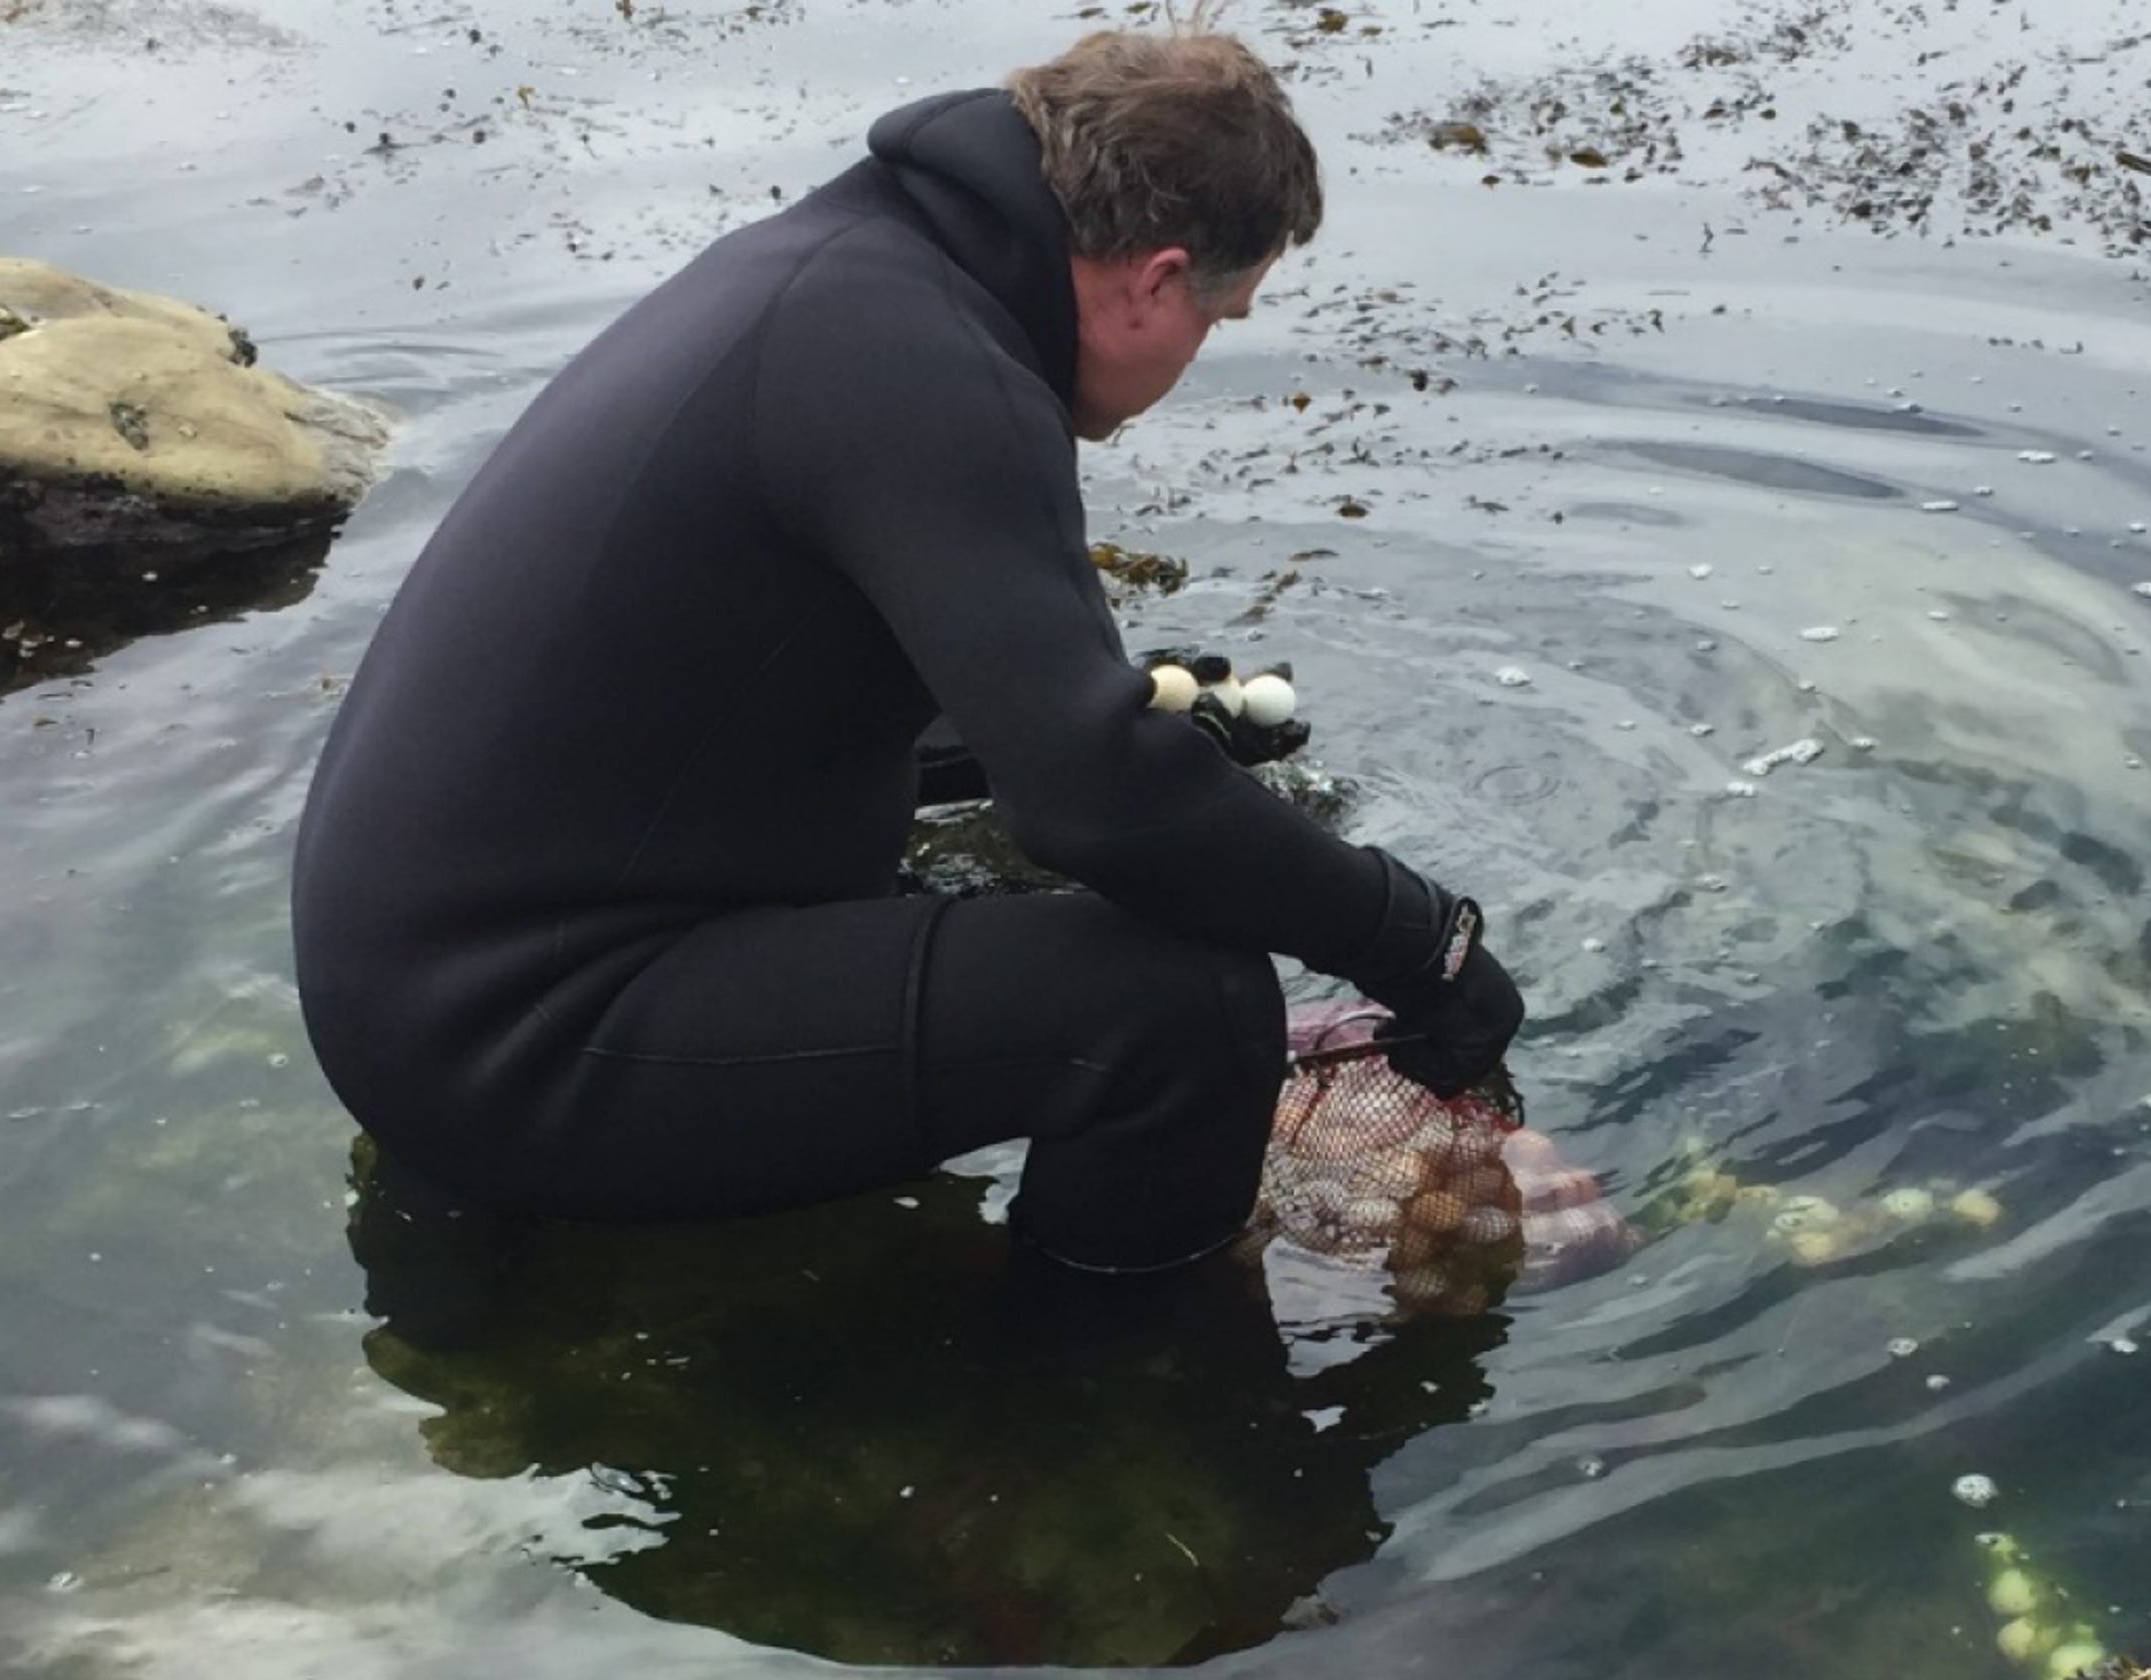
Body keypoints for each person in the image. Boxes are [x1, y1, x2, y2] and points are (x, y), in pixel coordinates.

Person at [288, 24, 1524, 1275]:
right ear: (1152, 280)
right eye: (1218, 316)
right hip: (512, 1049)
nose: (1196, 353)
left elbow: (788, 696)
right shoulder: (939, 372)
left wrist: (1105, 718)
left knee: (1078, 910)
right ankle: (1119, 1417)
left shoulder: (851, 275)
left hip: (419, 992)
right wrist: (1423, 942)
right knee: (1178, 1009)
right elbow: (1099, 804)